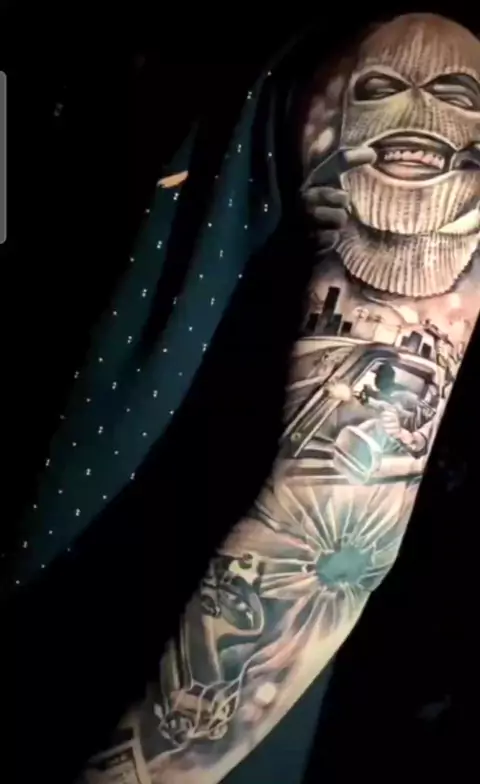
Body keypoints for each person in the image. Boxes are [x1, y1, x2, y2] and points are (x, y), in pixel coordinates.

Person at [75, 12, 479, 784]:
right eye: (387, 94)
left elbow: (336, 511)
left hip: (146, 668)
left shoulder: (412, 40)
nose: (417, 110)